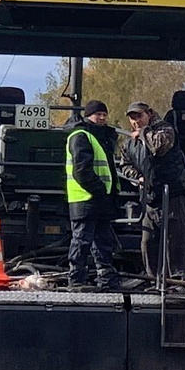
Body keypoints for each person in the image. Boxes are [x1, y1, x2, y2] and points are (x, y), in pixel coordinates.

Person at [123, 99, 185, 283]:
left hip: (172, 192)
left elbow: (159, 147)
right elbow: (125, 165)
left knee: (177, 240)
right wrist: (138, 177)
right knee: (148, 242)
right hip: (149, 197)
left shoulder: (165, 129)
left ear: (149, 114)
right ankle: (153, 278)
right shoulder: (129, 143)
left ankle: (181, 280)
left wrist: (143, 132)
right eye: (132, 118)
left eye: (139, 116)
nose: (135, 122)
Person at [63, 99, 121, 289]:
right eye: (99, 114)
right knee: (82, 240)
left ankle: (105, 278)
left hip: (99, 198)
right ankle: (76, 278)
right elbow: (81, 171)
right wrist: (100, 189)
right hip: (86, 198)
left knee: (103, 242)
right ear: (89, 116)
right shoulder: (80, 136)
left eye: (104, 114)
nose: (102, 118)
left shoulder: (102, 137)